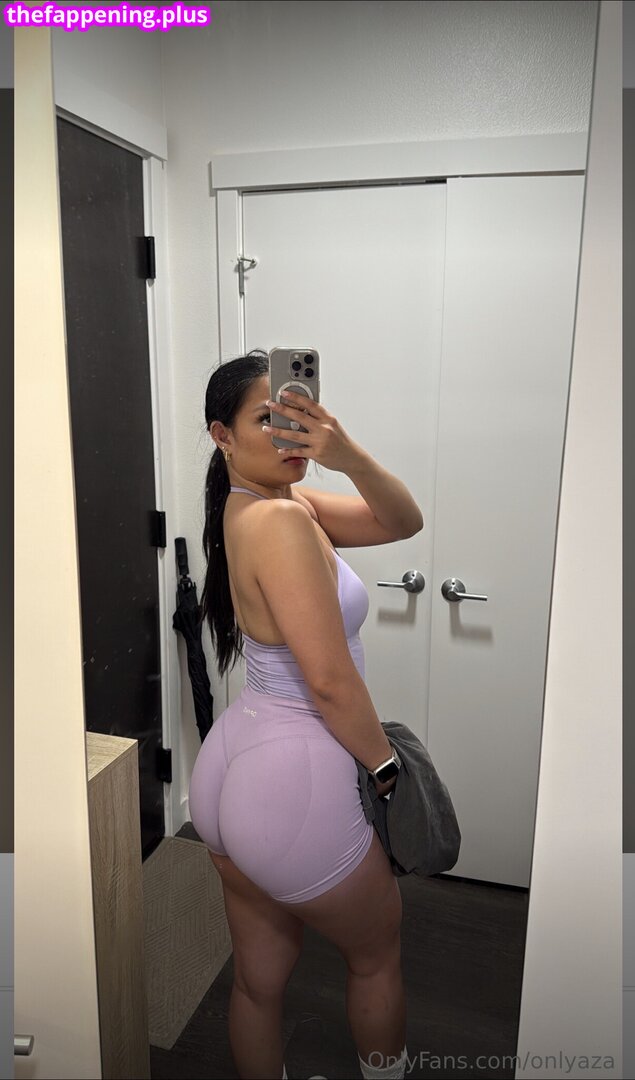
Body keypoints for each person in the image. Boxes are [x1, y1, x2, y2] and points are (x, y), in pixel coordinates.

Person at [188, 350, 424, 1080]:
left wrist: (345, 454)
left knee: (257, 980)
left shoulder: (267, 505)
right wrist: (386, 769)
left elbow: (401, 520)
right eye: (266, 419)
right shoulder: (284, 521)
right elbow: (328, 682)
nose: (287, 434)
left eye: (295, 416)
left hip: (233, 763)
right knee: (375, 957)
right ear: (221, 435)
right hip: (293, 773)